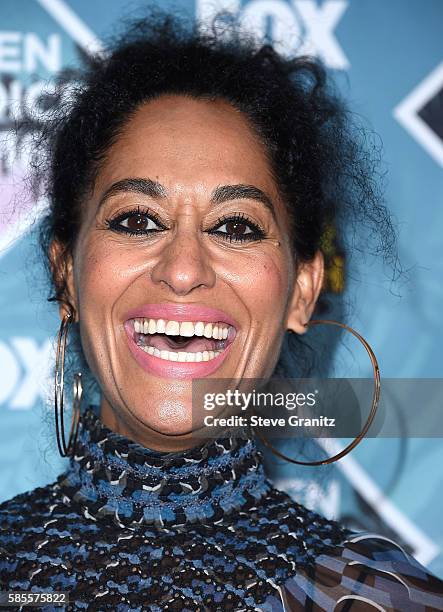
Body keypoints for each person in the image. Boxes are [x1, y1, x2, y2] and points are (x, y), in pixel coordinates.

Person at [1, 10, 442, 611]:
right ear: (67, 273)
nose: (183, 268)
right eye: (137, 220)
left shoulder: (389, 599)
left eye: (235, 226)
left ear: (304, 291)